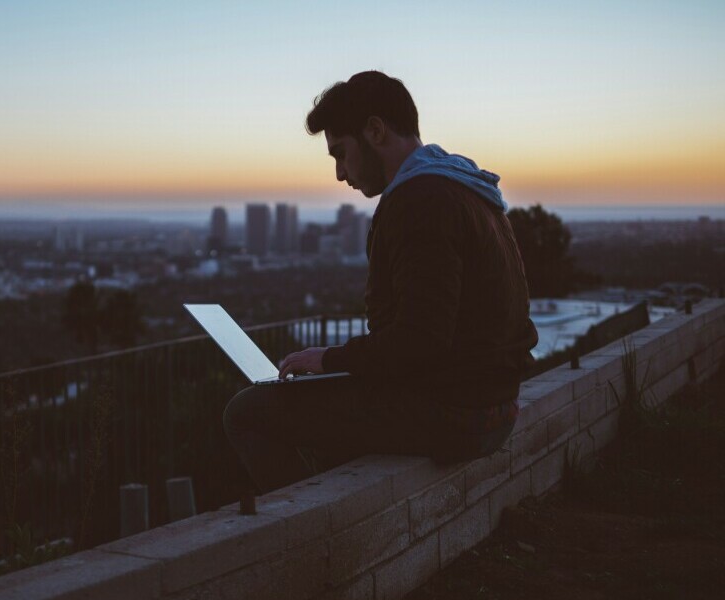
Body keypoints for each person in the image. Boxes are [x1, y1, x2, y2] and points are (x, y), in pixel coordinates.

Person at [223, 71, 539, 494]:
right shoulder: (467, 188)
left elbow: (421, 340)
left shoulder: (419, 200)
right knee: (323, 406)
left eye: (341, 153)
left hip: (456, 416)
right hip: (492, 407)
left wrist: (330, 360)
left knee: (246, 412)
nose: (340, 174)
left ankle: (313, 531)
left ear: (375, 130)